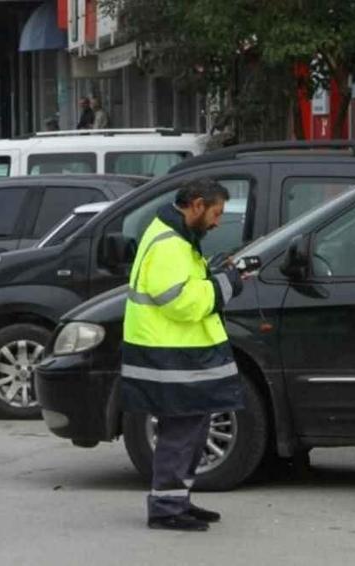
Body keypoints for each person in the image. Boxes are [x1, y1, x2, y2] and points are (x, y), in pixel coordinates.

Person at [121, 178, 245, 532]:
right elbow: (180, 302)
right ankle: (165, 508)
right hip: (168, 356)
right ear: (196, 205)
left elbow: (185, 289)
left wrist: (216, 274)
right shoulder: (170, 244)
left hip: (176, 353)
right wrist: (226, 285)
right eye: (216, 213)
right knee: (182, 430)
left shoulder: (178, 238)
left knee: (193, 427)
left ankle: (177, 500)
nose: (218, 221)